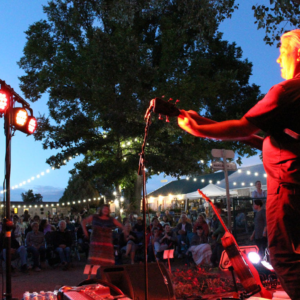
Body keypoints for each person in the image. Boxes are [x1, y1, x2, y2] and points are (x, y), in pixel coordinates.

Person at [176, 29, 300, 299]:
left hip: (288, 190)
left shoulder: (286, 92)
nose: (279, 60)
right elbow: (256, 136)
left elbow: (243, 126)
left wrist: (197, 130)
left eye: (282, 52)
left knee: (283, 257)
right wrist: (204, 122)